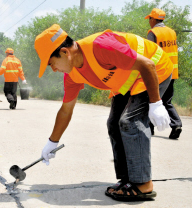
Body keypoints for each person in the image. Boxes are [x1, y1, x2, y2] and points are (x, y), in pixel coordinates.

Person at [34, 24, 174, 201]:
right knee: (114, 124)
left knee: (130, 121)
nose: (53, 69)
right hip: (128, 81)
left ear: (64, 52)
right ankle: (128, 180)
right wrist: (51, 142)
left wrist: (156, 103)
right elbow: (65, 110)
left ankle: (143, 184)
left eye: (51, 63)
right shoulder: (72, 74)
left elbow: (147, 64)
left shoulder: (101, 46)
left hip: (154, 69)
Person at [145, 8, 182, 139]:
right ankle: (176, 124)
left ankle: (149, 128)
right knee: (166, 101)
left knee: (151, 99)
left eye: (149, 18)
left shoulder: (153, 32)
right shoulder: (171, 32)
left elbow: (149, 54)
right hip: (172, 72)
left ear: (153, 19)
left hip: (159, 73)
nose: (149, 21)